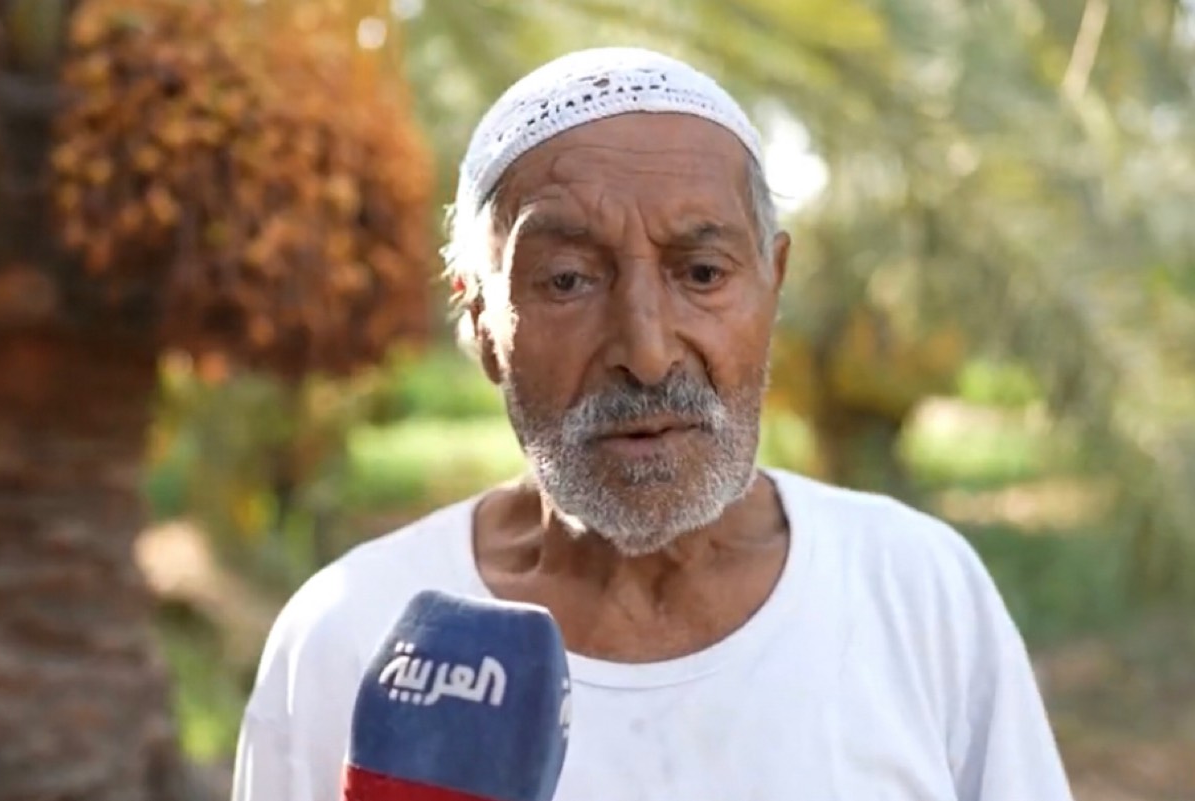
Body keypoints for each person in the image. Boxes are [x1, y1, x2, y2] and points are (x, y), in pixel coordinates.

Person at [231, 47, 1074, 801]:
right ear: (481, 320)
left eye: (701, 273)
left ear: (772, 285)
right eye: (568, 280)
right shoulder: (352, 636)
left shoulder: (915, 590)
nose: (646, 350)